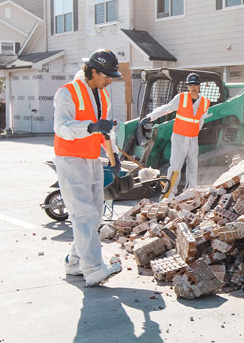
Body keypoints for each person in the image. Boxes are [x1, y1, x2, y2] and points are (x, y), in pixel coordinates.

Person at [53, 48, 123, 287]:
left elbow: (105, 131)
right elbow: (61, 127)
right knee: (83, 214)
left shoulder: (103, 96)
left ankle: (74, 262)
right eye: (106, 75)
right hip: (70, 159)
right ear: (93, 71)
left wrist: (114, 158)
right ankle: (93, 269)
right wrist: (90, 127)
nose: (109, 80)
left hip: (92, 159)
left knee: (93, 216)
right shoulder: (67, 92)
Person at [140, 73, 210, 195]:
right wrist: (150, 117)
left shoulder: (204, 102)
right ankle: (170, 193)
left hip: (193, 138)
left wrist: (194, 133)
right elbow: (166, 108)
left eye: (195, 85)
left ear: (199, 86)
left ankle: (191, 192)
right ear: (188, 86)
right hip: (179, 137)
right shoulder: (181, 98)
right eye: (191, 85)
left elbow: (201, 120)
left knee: (193, 166)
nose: (193, 87)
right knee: (175, 166)